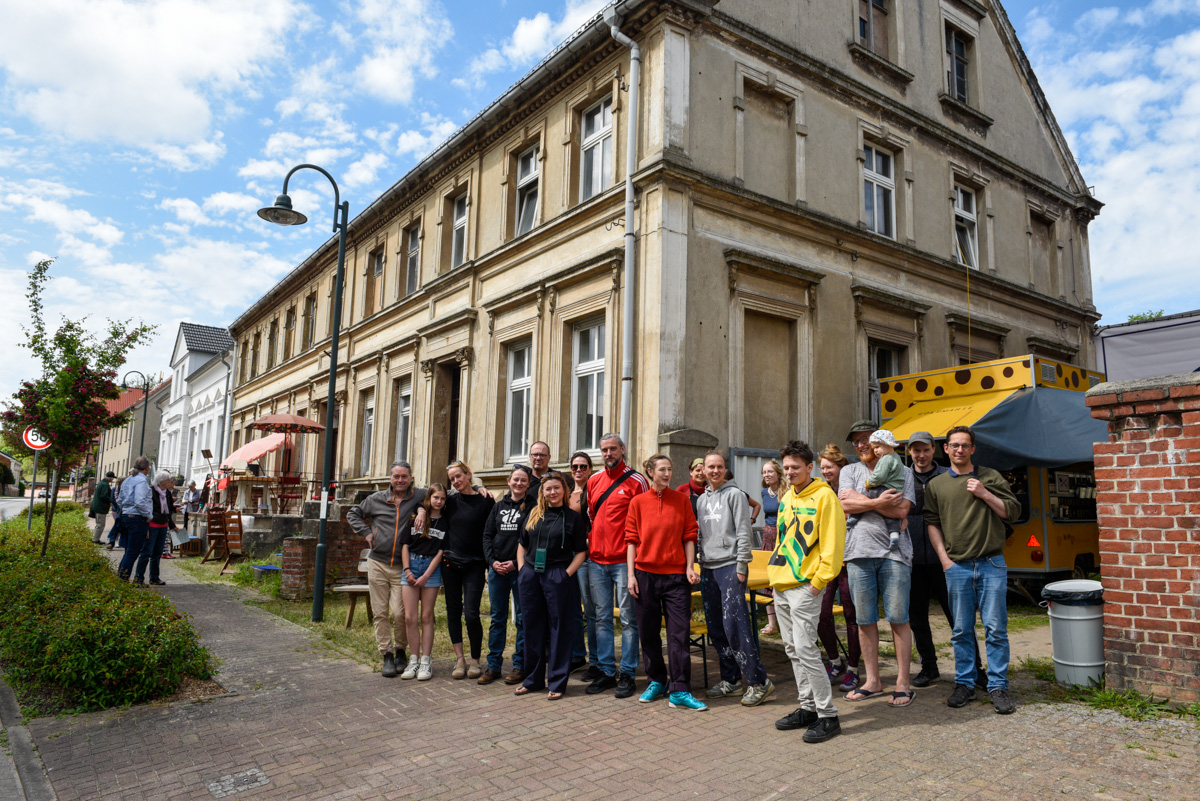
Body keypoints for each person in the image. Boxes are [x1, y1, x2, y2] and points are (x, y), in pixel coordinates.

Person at [924, 425, 1022, 715]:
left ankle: (998, 686)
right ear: (946, 449)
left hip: (991, 562)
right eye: (954, 445)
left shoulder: (989, 477)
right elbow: (932, 523)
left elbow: (1011, 511)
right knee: (961, 630)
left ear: (972, 449)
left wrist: (984, 493)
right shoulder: (936, 485)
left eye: (965, 445)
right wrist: (945, 562)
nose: (959, 450)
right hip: (958, 567)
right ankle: (965, 682)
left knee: (995, 629)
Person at [770, 440, 847, 743]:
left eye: (795, 467)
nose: (789, 472)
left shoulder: (826, 498)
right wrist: (775, 579)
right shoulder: (788, 495)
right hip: (782, 583)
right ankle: (808, 707)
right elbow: (782, 539)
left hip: (805, 586)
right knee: (792, 649)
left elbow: (833, 546)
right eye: (786, 467)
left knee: (806, 650)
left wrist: (818, 583)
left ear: (810, 467)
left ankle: (828, 715)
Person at [838, 420, 916, 707]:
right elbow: (845, 505)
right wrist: (878, 503)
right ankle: (873, 681)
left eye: (866, 440)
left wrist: (863, 501)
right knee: (865, 620)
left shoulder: (902, 469)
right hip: (858, 552)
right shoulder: (849, 470)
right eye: (856, 441)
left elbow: (903, 508)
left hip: (894, 555)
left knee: (898, 618)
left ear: (879, 441)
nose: (861, 446)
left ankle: (903, 682)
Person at [625, 454, 706, 710]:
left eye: (670, 469)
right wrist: (630, 576)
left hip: (675, 578)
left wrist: (689, 567)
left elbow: (689, 536)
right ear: (650, 471)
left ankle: (680, 689)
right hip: (645, 575)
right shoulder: (637, 502)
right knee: (648, 632)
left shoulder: (681, 501)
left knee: (679, 634)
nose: (667, 474)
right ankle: (657, 681)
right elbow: (631, 541)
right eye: (662, 469)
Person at [696, 451, 774, 707]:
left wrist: (742, 566)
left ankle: (759, 681)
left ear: (725, 469)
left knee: (735, 626)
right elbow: (701, 535)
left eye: (719, 466)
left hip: (731, 566)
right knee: (716, 627)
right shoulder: (701, 500)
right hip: (708, 568)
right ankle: (731, 679)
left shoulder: (736, 495)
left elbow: (744, 532)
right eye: (710, 467)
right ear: (704, 470)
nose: (715, 471)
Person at [906, 431, 983, 689]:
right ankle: (929, 667)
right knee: (917, 619)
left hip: (947, 558)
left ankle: (976, 669)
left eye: (926, 449)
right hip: (913, 560)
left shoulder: (947, 474)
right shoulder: (903, 477)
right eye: (916, 450)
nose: (921, 455)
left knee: (959, 617)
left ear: (935, 450)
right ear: (909, 452)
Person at [346, 461, 426, 679]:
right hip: (378, 563)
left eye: (404, 477)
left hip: (402, 565)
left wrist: (422, 508)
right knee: (380, 613)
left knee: (400, 613)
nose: (400, 480)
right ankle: (387, 655)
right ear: (390, 478)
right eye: (396, 476)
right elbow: (352, 514)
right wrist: (366, 532)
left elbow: (445, 494)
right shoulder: (376, 499)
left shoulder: (418, 495)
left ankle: (401, 650)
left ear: (411, 478)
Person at [584, 433, 648, 698]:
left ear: (623, 449)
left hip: (624, 562)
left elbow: (645, 521)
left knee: (629, 620)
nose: (608, 454)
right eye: (604, 450)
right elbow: (590, 515)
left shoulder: (637, 481)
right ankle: (608, 672)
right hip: (596, 561)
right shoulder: (593, 481)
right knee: (601, 618)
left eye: (612, 449)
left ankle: (629, 674)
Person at [515, 472, 588, 700]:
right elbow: (522, 544)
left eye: (557, 488)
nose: (552, 492)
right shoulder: (533, 514)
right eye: (548, 489)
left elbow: (582, 552)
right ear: (542, 492)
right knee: (532, 627)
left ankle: (556, 681)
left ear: (564, 491)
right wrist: (521, 571)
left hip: (557, 575)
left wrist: (565, 574)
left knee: (559, 628)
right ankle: (533, 679)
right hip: (530, 576)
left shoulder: (573, 518)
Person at [479, 466, 534, 685]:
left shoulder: (533, 507)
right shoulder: (498, 507)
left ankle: (519, 666)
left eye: (523, 480)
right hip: (497, 571)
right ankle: (493, 666)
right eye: (515, 480)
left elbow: (533, 539)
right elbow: (487, 536)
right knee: (497, 619)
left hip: (520, 570)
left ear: (528, 483)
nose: (519, 483)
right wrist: (492, 562)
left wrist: (514, 563)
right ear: (508, 481)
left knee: (522, 619)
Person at [442, 461, 496, 679]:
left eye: (458, 476)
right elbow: (426, 500)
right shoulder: (449, 501)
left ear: (468, 475)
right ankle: (459, 660)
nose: (455, 481)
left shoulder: (485, 501)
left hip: (475, 563)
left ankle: (475, 660)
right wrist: (419, 509)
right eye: (452, 478)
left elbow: (491, 531)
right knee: (452, 611)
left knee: (472, 614)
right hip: (450, 563)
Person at [816, 445, 862, 692]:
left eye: (829, 467)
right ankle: (835, 661)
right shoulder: (822, 492)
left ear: (841, 467)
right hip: (827, 562)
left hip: (849, 561)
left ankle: (854, 668)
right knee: (822, 614)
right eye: (822, 467)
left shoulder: (850, 491)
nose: (825, 471)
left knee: (851, 615)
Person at [399, 484, 446, 681]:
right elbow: (405, 545)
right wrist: (407, 570)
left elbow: (441, 551)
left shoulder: (445, 522)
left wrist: (427, 575)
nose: (439, 501)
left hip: (431, 570)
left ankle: (426, 661)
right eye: (435, 497)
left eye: (443, 499)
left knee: (426, 616)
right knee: (410, 617)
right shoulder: (415, 518)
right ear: (429, 498)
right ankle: (414, 659)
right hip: (411, 566)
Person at [567, 451, 600, 679]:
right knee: (572, 609)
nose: (579, 470)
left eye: (583, 466)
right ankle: (578, 655)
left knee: (591, 610)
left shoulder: (594, 492)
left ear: (590, 469)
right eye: (575, 467)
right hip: (565, 556)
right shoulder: (566, 492)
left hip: (587, 556)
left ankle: (596, 661)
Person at [856, 429, 907, 550]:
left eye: (877, 447)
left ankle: (855, 515)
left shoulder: (885, 459)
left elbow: (879, 476)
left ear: (887, 444)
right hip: (896, 490)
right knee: (890, 513)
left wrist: (868, 483)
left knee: (865, 497)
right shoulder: (896, 457)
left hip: (885, 487)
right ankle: (894, 533)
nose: (875, 451)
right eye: (874, 448)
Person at [133, 470, 177, 586]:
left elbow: (168, 509)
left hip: (163, 525)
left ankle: (154, 577)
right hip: (152, 525)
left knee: (157, 553)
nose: (169, 482)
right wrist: (146, 526)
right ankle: (138, 578)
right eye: (168, 480)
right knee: (146, 552)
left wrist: (172, 525)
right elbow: (146, 508)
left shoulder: (167, 492)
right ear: (161, 481)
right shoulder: (151, 491)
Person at [757, 460, 784, 636]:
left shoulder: (787, 492)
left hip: (783, 536)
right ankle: (772, 623)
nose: (766, 475)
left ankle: (785, 620)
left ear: (778, 473)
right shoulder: (764, 492)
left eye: (770, 472)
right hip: (768, 535)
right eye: (764, 472)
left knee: (781, 577)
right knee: (768, 578)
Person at [116, 458, 153, 581]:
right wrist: (149, 515)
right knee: (133, 552)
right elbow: (139, 502)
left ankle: (120, 578)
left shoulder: (127, 480)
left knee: (128, 551)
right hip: (137, 519)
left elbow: (120, 500)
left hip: (126, 516)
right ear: (147, 467)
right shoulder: (141, 481)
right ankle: (122, 579)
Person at [90, 471, 115, 544]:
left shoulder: (101, 483)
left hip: (97, 506)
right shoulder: (105, 485)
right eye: (112, 478)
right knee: (100, 525)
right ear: (110, 478)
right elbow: (103, 496)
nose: (113, 480)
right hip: (100, 507)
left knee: (99, 524)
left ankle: (95, 538)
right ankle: (95, 539)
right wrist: (111, 501)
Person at [105, 475, 125, 550]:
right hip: (118, 510)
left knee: (118, 526)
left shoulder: (123, 488)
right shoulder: (116, 489)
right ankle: (113, 541)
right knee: (117, 525)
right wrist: (118, 506)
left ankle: (113, 541)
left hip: (122, 510)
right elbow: (113, 499)